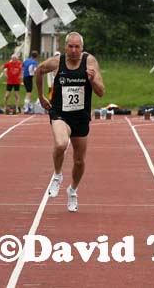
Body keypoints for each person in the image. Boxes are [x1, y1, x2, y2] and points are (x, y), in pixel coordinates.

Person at [35, 32, 105, 213]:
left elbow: (101, 92)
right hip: (60, 113)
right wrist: (41, 96)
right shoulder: (58, 62)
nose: (74, 50)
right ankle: (57, 175)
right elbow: (39, 70)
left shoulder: (90, 62)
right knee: (61, 144)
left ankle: (72, 190)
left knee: (79, 161)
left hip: (80, 116)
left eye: (77, 47)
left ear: (82, 48)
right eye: (70, 47)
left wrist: (92, 80)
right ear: (65, 47)